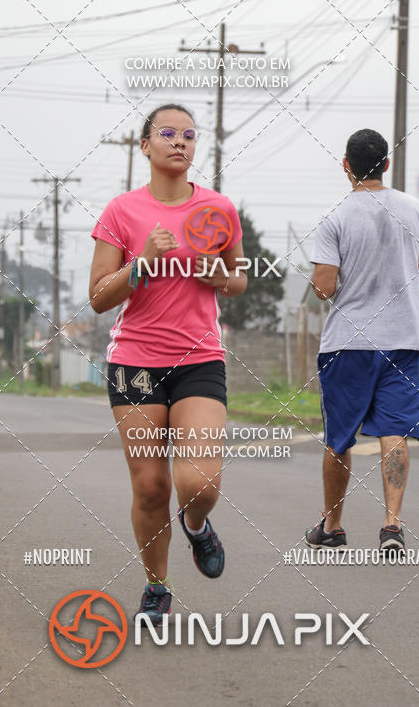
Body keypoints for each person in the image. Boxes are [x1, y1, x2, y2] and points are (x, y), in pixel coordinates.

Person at [89, 104, 247, 625]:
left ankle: (197, 526)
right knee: (151, 486)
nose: (180, 142)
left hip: (199, 358)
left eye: (189, 135)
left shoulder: (219, 209)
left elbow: (239, 279)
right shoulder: (121, 212)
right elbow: (98, 297)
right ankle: (157, 585)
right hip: (134, 364)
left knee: (199, 484)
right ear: (146, 146)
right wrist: (141, 266)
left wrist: (217, 275)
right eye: (168, 134)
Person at [305, 129, 419, 553]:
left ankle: (332, 526)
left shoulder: (335, 216)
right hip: (403, 337)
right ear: (385, 164)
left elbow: (324, 288)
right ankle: (393, 525)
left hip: (348, 342)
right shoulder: (416, 210)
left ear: (347, 164)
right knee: (394, 431)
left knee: (339, 438)